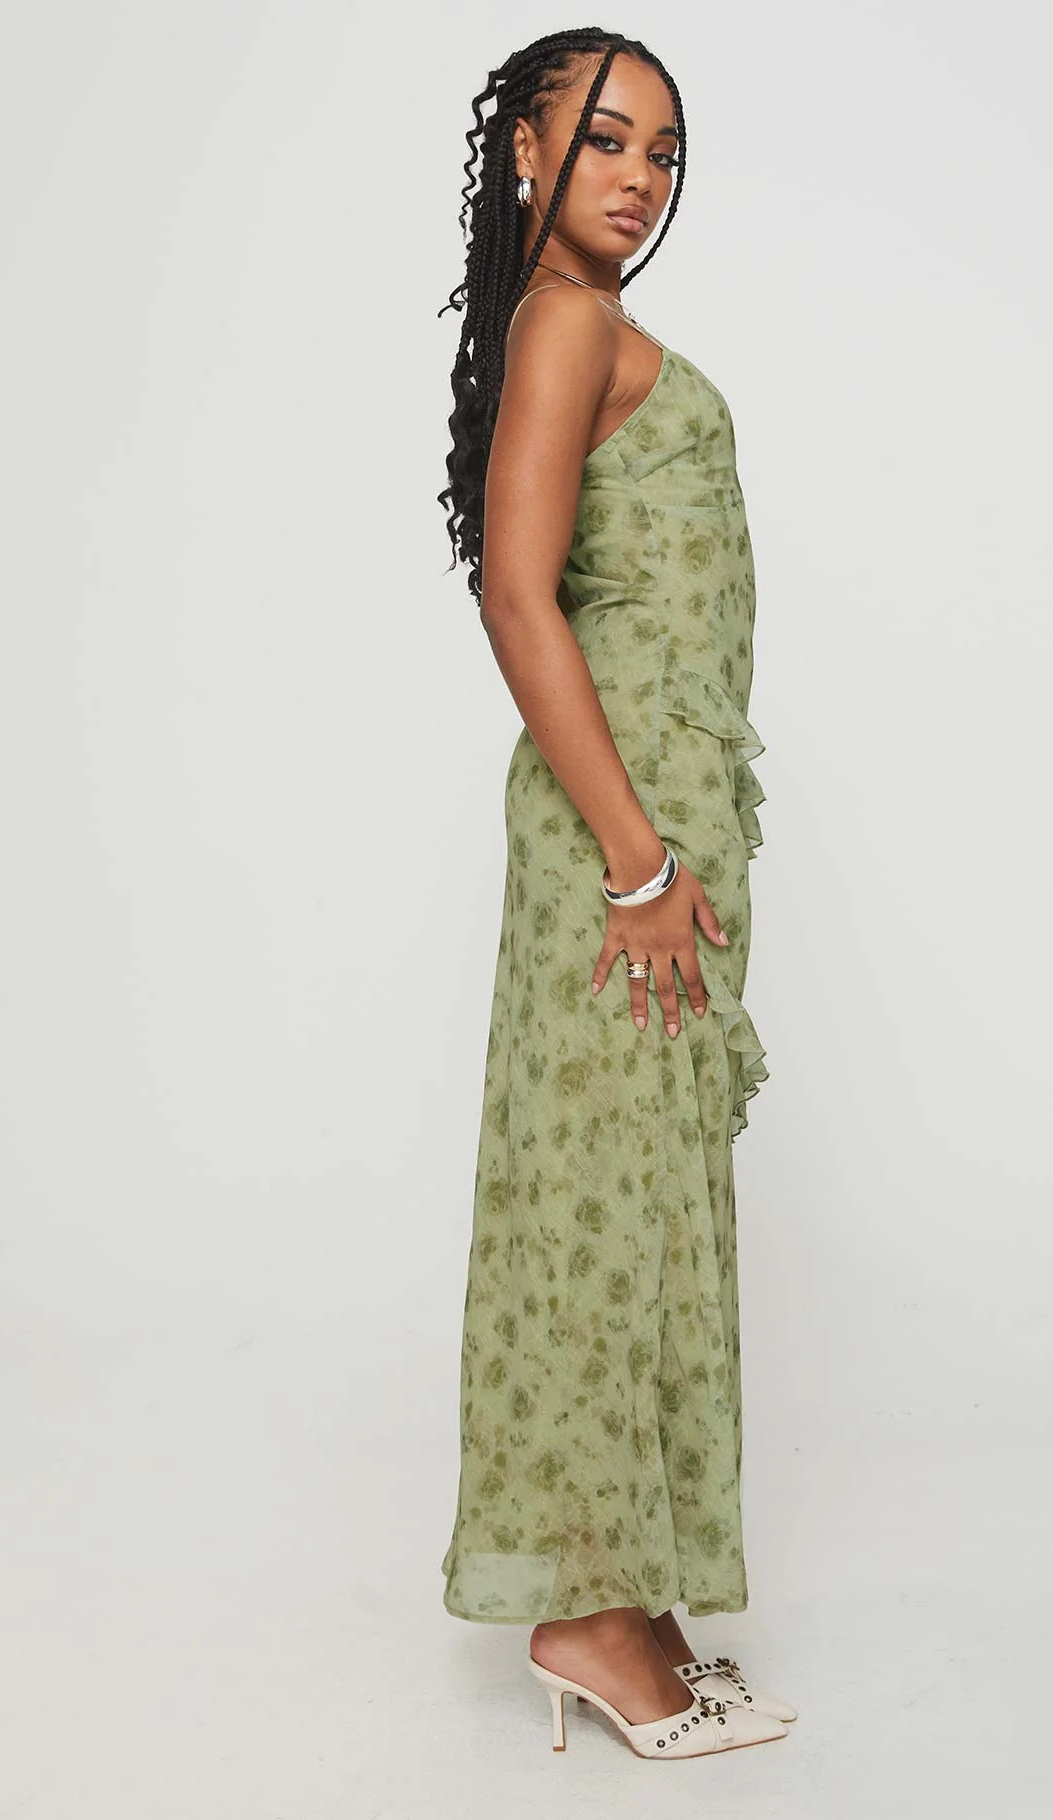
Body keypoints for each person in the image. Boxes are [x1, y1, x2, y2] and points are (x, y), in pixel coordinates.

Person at [436, 29, 795, 1760]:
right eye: (605, 140)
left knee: (635, 1205)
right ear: (526, 150)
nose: (640, 176)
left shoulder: (583, 322)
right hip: (619, 847)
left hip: (659, 834)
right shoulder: (565, 322)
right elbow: (519, 596)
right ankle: (583, 1616)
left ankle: (627, 1587)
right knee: (599, 1209)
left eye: (662, 149)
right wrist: (640, 861)